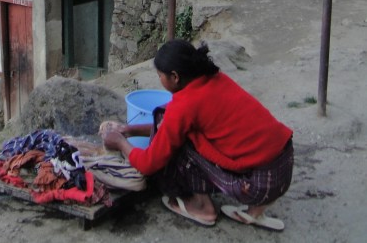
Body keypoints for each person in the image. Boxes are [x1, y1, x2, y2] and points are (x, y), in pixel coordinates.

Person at [100, 40, 293, 230]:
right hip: (283, 170)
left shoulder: (184, 106)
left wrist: (119, 142)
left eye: (160, 75)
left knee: (182, 145)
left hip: (255, 186)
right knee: (186, 131)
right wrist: (129, 129)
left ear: (174, 76)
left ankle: (202, 207)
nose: (160, 80)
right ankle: (255, 213)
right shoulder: (215, 79)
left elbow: (149, 163)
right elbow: (170, 125)